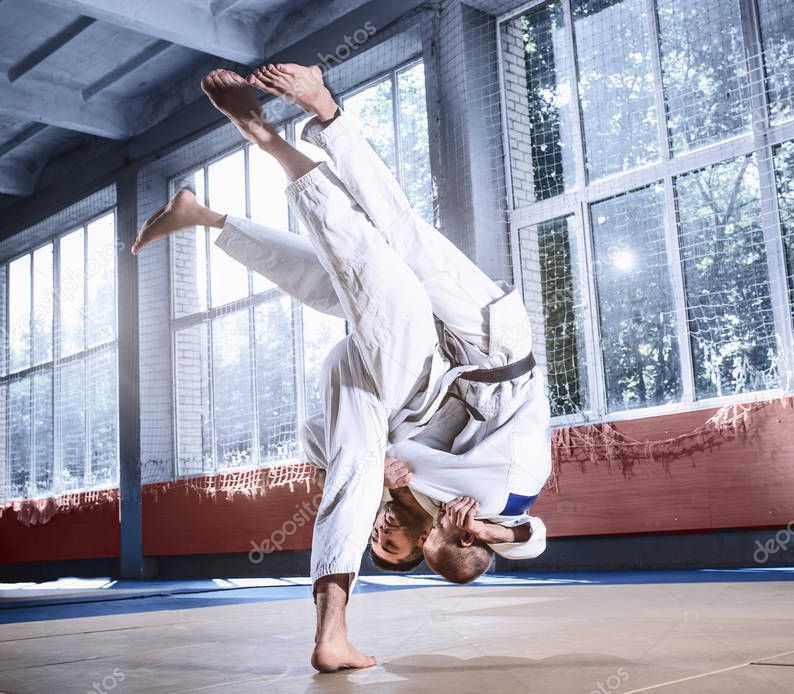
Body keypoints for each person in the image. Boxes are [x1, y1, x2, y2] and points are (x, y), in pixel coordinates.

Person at [131, 64, 551, 671]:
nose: (383, 532)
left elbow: (347, 470)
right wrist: (491, 534)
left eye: (377, 542)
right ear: (445, 538)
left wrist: (398, 497)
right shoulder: (497, 502)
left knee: (365, 283)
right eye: (395, 543)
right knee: (392, 244)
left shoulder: (388, 472)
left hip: (425, 372)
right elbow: (529, 540)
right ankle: (307, 125)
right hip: (492, 347)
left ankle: (252, 155)